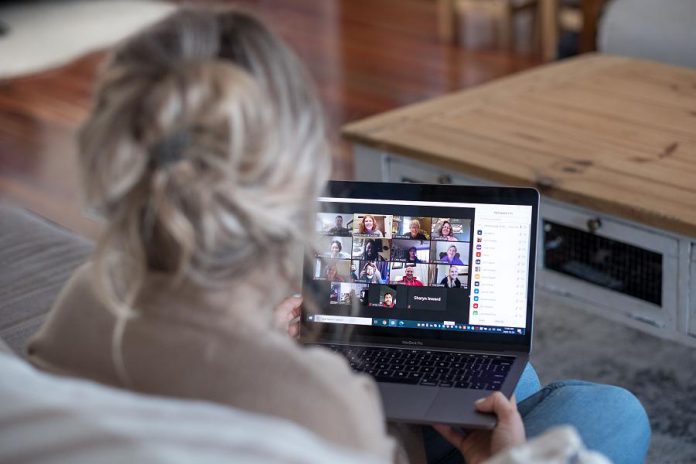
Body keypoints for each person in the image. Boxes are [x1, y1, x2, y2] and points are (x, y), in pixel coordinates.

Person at [25, 8, 651, 464]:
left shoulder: (83, 306)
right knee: (607, 412)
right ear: (299, 169)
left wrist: (270, 342)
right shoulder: (324, 404)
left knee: (502, 378)